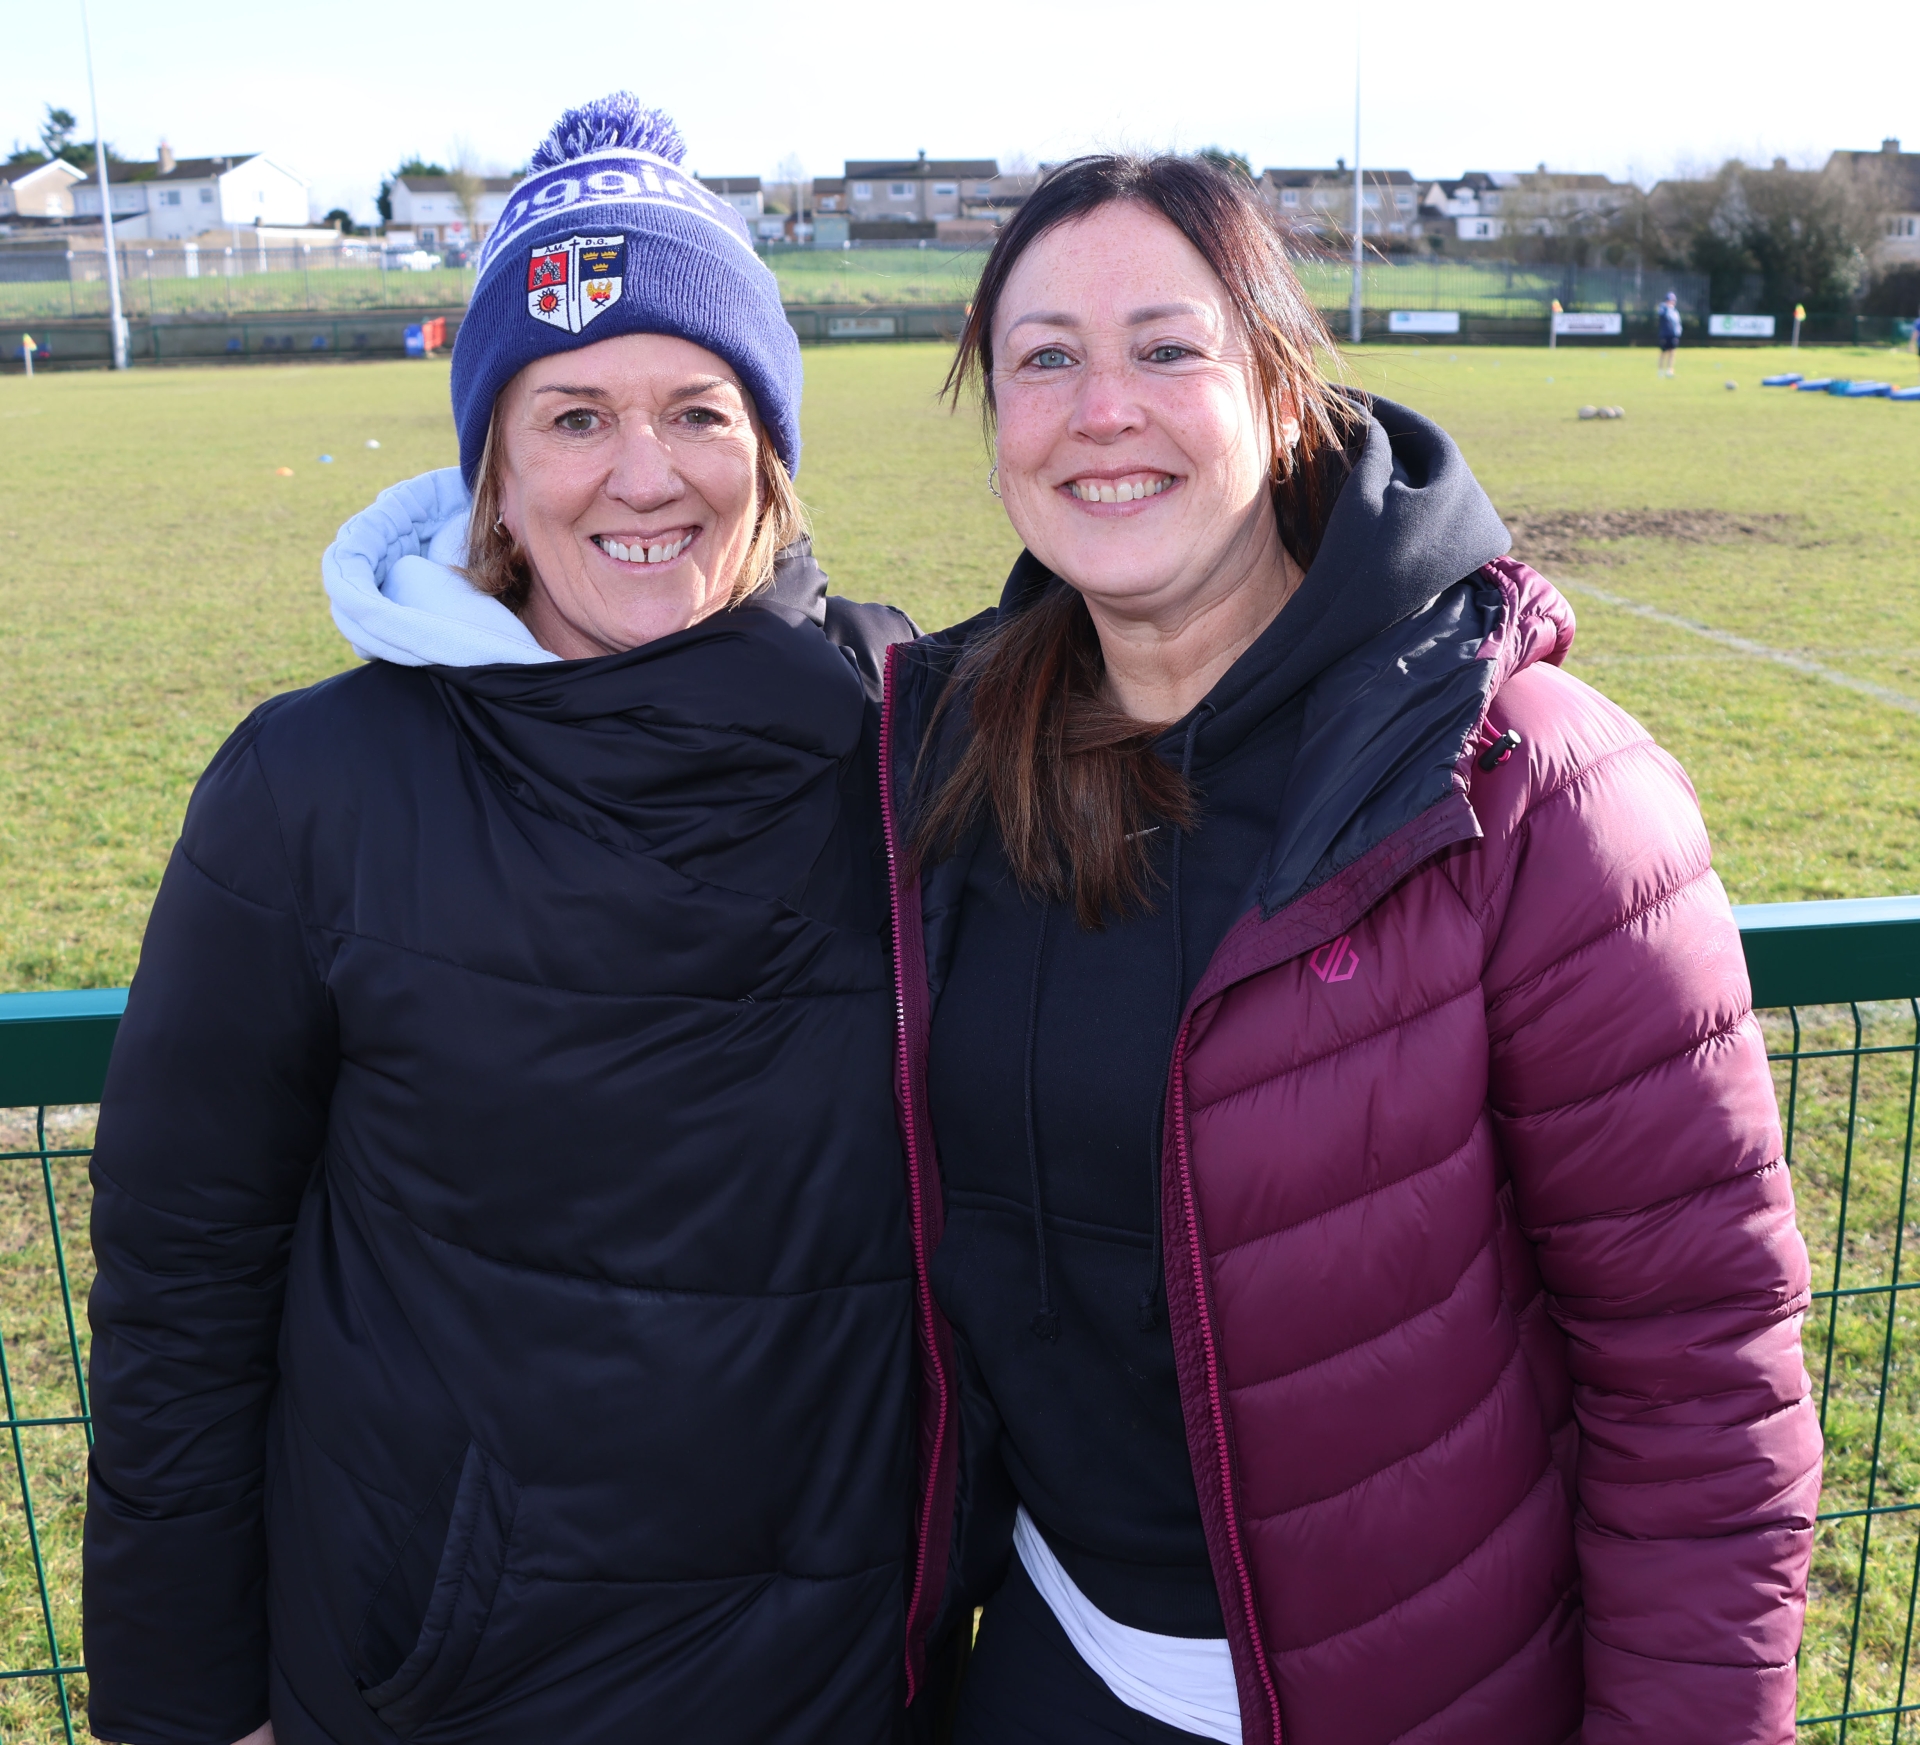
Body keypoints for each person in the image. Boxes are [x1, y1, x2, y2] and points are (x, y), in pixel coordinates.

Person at [881, 155, 1821, 1745]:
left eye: (1166, 348)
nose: (1102, 408)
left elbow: (1699, 1384)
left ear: (1281, 389)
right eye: (1044, 358)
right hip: (1043, 1663)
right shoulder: (949, 761)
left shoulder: (1532, 789)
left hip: (1417, 1695)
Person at [83, 95, 936, 1745]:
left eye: (697, 409)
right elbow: (181, 1287)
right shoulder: (311, 789)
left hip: (842, 1686)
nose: (644, 474)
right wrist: (184, 1705)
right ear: (494, 461)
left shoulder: (913, 737)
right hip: (444, 1684)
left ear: (770, 450)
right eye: (574, 416)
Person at [1657, 289, 1683, 374]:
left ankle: (1669, 370)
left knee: (1672, 352)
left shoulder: (1675, 311)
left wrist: (1678, 332)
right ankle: (1660, 370)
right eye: (1670, 300)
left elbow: (1677, 323)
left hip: (1673, 334)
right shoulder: (1663, 308)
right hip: (1665, 334)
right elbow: (1661, 315)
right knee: (1663, 352)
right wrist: (1666, 308)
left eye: (1673, 300)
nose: (1671, 302)